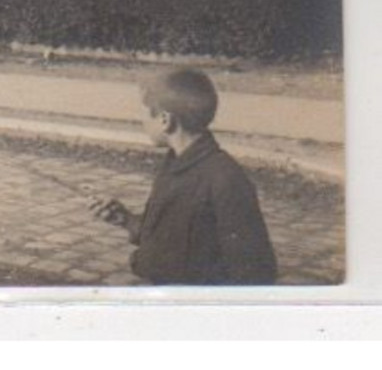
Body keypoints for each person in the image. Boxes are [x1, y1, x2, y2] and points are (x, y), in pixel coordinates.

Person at [91, 68, 277, 285]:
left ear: (165, 120)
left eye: (143, 112)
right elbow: (173, 239)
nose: (140, 120)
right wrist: (128, 221)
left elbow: (255, 272)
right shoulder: (175, 163)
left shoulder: (225, 178)